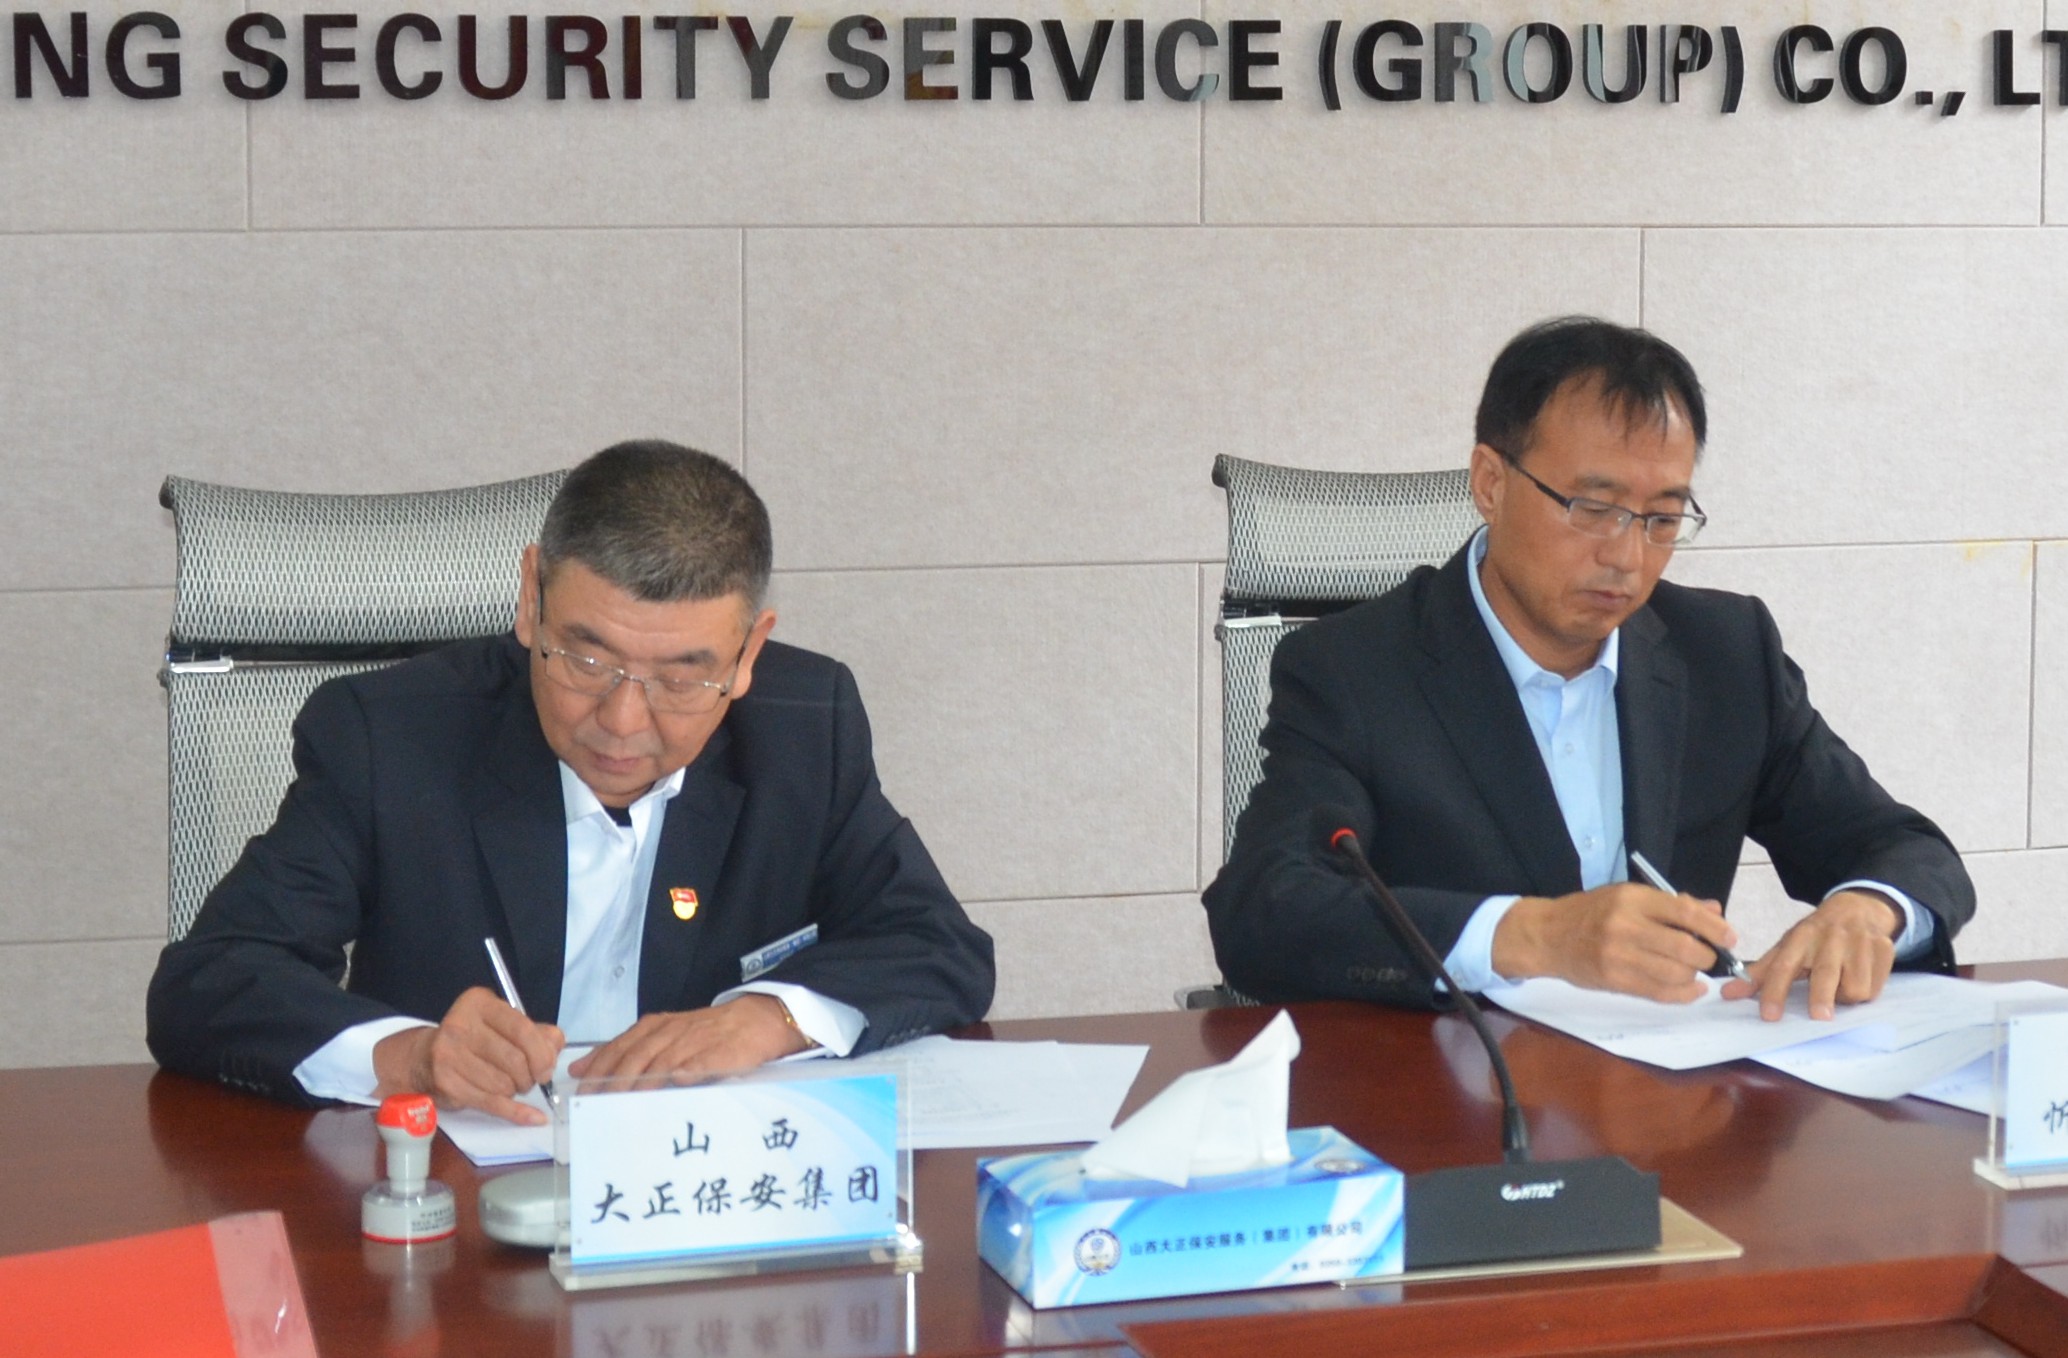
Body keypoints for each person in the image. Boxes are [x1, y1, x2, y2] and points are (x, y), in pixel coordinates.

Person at [148, 440, 994, 1123]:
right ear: (531, 599)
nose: (622, 721)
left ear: (748, 654)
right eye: (587, 661)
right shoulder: (388, 737)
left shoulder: (806, 729)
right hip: (456, 1208)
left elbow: (938, 945)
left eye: (681, 678)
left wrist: (766, 1020)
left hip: (705, 1194)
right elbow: (207, 983)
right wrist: (408, 1055)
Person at [1204, 317, 1973, 1020]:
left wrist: (1870, 910)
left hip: (1674, 1094)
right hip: (1457, 1093)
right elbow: (1264, 913)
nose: (1627, 556)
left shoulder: (1725, 653)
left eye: (1662, 519)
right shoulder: (1354, 670)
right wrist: (1535, 936)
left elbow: (1904, 848)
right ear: (1491, 483)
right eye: (1593, 508)